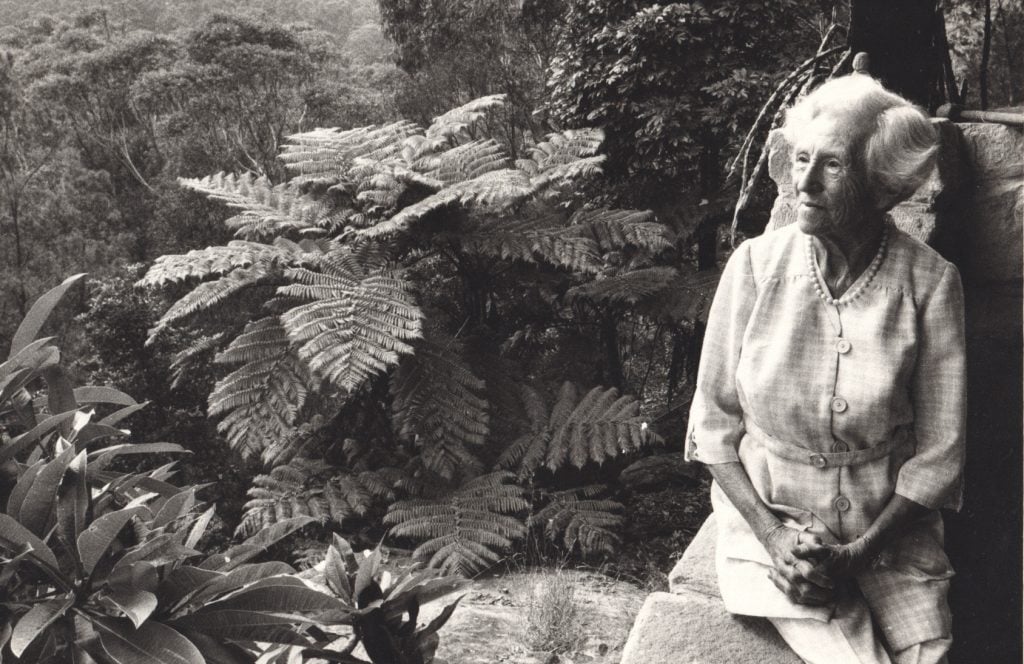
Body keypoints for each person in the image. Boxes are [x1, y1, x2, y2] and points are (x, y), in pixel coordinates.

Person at [684, 73, 965, 664]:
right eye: (801, 158)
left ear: (881, 184)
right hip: (773, 520)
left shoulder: (930, 283)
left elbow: (940, 456)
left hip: (889, 532)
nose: (804, 183)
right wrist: (773, 537)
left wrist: (862, 550)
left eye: (832, 165)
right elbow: (712, 425)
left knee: (928, 654)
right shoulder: (755, 267)